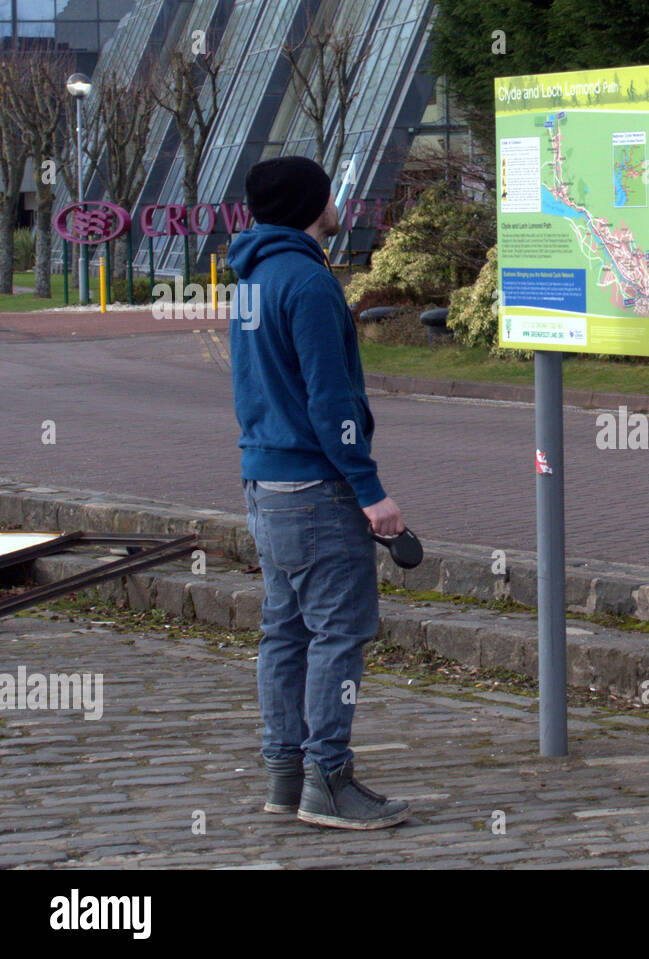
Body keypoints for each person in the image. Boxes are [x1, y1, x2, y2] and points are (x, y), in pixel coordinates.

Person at [227, 155, 409, 830]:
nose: (340, 203)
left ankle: (286, 772)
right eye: (331, 193)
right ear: (313, 202)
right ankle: (328, 779)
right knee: (339, 631)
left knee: (284, 630)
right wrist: (370, 489)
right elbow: (329, 398)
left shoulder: (250, 277)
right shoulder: (308, 282)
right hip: (315, 486)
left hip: (265, 480)